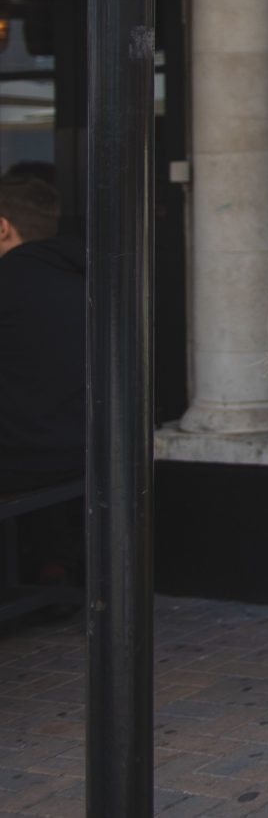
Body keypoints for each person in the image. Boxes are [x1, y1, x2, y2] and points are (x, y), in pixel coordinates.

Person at [0, 173, 85, 585]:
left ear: (2, 227)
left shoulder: (9, 283)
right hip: (85, 453)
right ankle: (54, 566)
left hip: (27, 459)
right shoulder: (90, 280)